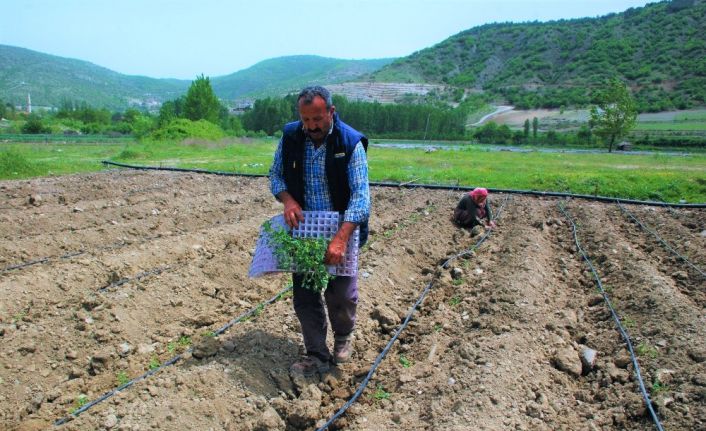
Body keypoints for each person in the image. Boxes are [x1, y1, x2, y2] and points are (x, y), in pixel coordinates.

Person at [269, 85, 370, 377]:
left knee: (342, 294)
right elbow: (275, 175)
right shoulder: (291, 137)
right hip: (305, 229)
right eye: (306, 120)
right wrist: (287, 199)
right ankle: (316, 353)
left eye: (317, 120)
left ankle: (342, 338)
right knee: (305, 295)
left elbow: (361, 198)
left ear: (331, 112)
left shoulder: (350, 143)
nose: (311, 126)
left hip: (342, 228)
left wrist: (340, 237)